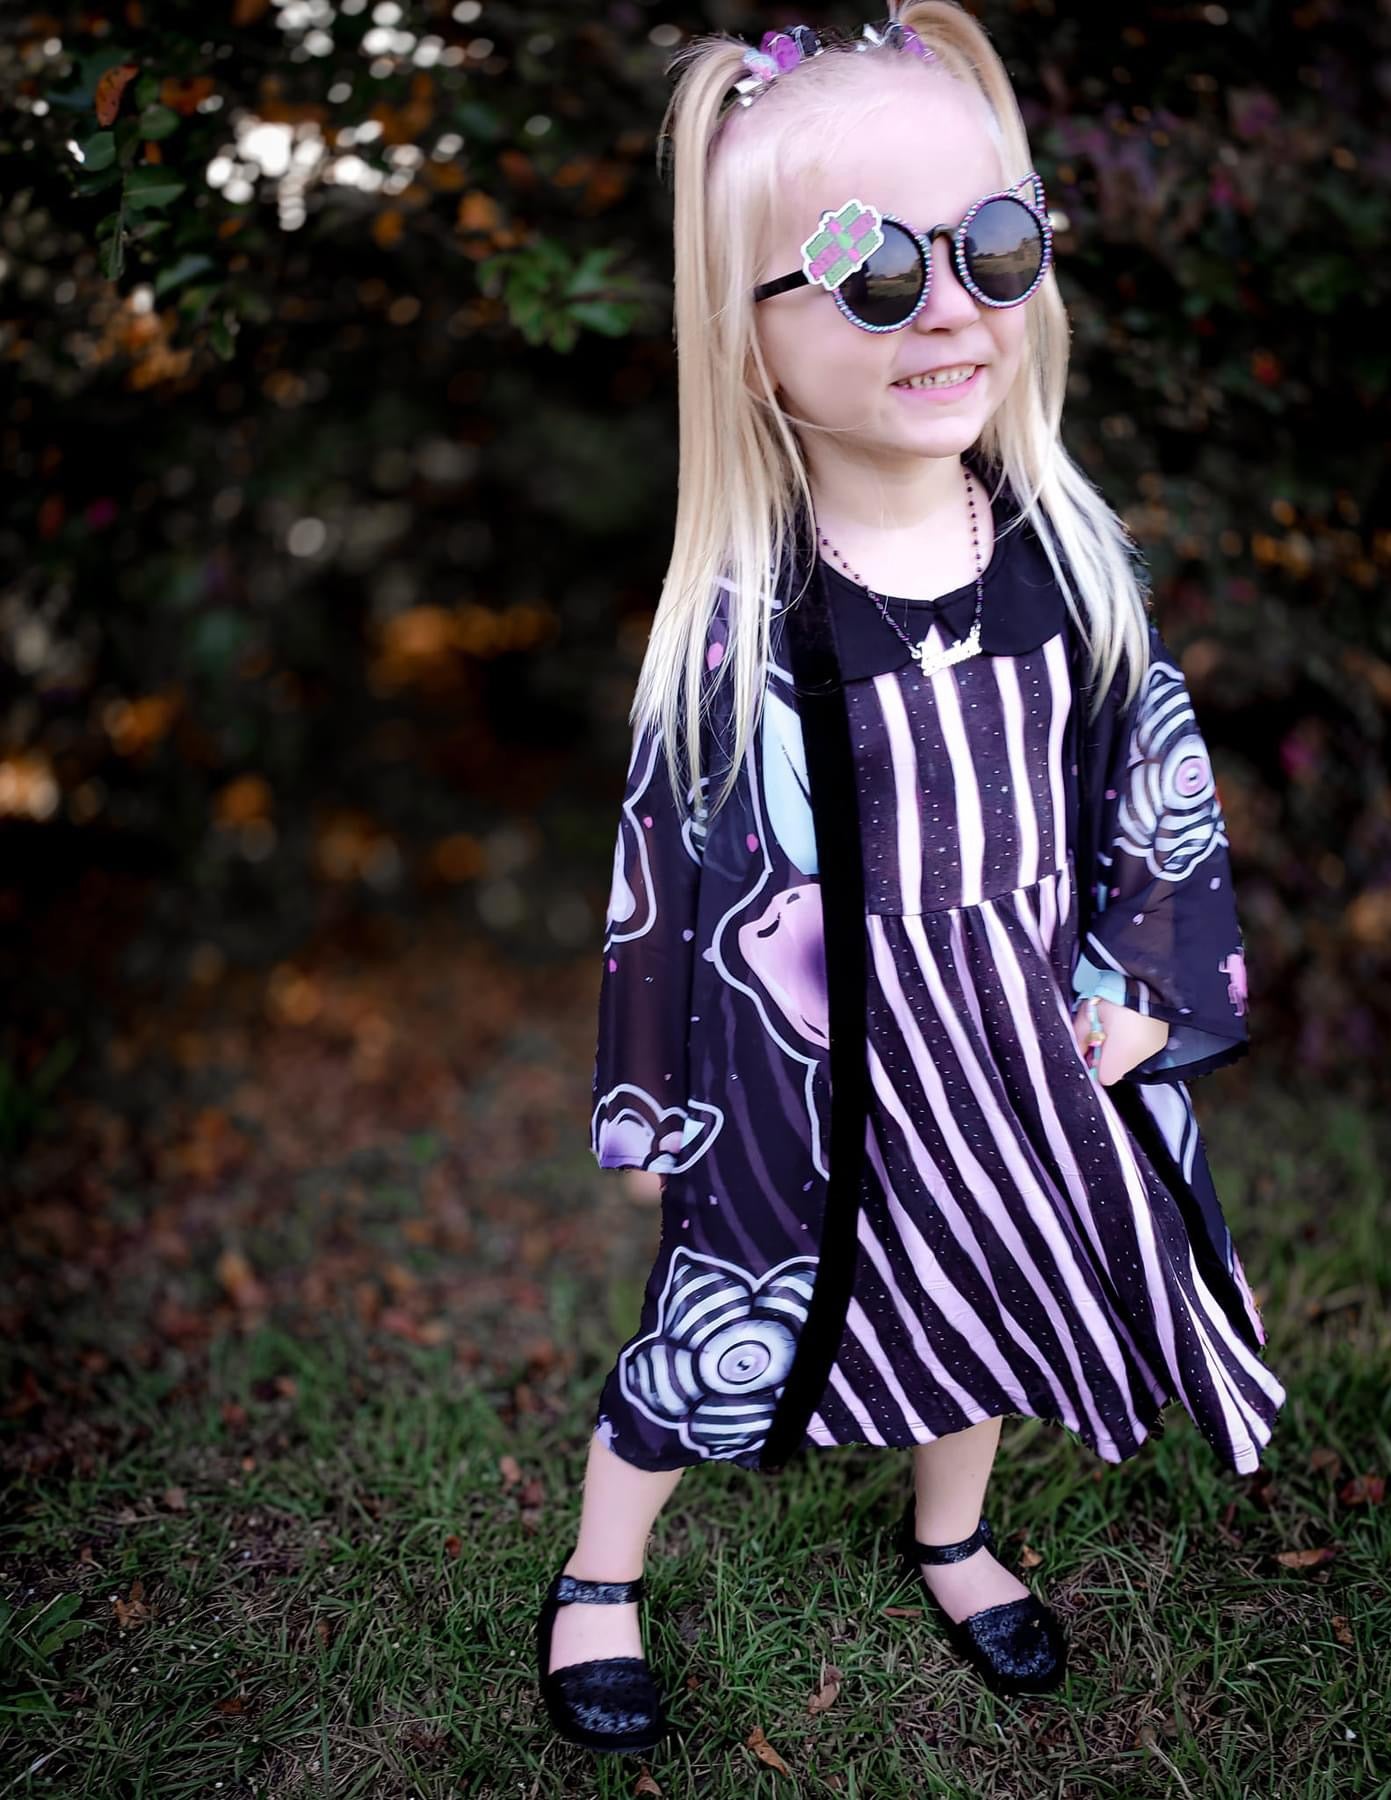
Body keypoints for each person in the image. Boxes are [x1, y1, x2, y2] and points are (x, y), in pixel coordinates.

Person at [536, 3, 1287, 1755]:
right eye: (872, 273)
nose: (953, 308)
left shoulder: (1069, 566)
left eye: (997, 244)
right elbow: (664, 883)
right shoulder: (744, 628)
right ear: (750, 343)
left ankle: (953, 1531)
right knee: (717, 1338)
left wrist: (1142, 983)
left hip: (1016, 1039)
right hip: (812, 1072)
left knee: (994, 1284)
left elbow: (1152, 792)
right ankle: (599, 1577)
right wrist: (657, 1114)